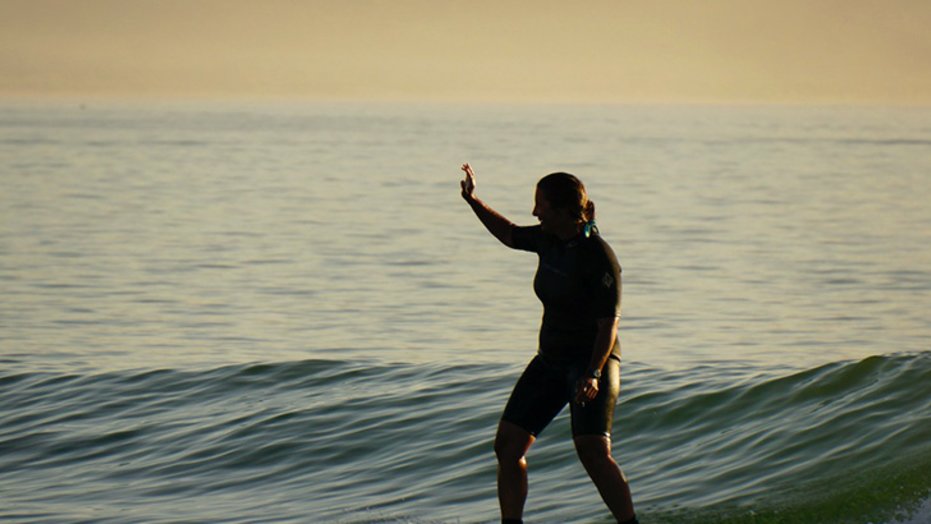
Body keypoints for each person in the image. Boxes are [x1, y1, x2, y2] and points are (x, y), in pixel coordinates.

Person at [460, 163, 638, 524]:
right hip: (551, 360)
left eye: (540, 204)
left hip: (592, 361)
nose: (534, 212)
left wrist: (593, 373)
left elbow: (608, 325)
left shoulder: (598, 257)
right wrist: (472, 200)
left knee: (592, 450)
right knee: (508, 446)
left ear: (561, 210)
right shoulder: (548, 240)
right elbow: (509, 234)